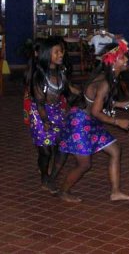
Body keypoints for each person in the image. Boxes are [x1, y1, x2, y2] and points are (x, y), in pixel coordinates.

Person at [58, 40, 129, 203]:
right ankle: (63, 191)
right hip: (80, 122)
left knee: (115, 150)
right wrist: (117, 122)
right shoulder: (105, 82)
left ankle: (115, 192)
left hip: (88, 120)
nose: (126, 60)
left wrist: (118, 104)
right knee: (84, 165)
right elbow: (96, 111)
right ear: (113, 61)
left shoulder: (109, 78)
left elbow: (96, 102)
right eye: (123, 57)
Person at [26, 37, 79, 193]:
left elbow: (68, 90)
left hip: (56, 111)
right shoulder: (39, 77)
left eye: (61, 51)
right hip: (40, 114)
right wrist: (45, 121)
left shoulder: (61, 72)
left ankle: (51, 175)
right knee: (45, 150)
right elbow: (40, 103)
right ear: (47, 54)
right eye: (56, 52)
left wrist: (85, 93)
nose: (61, 54)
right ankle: (44, 177)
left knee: (58, 146)